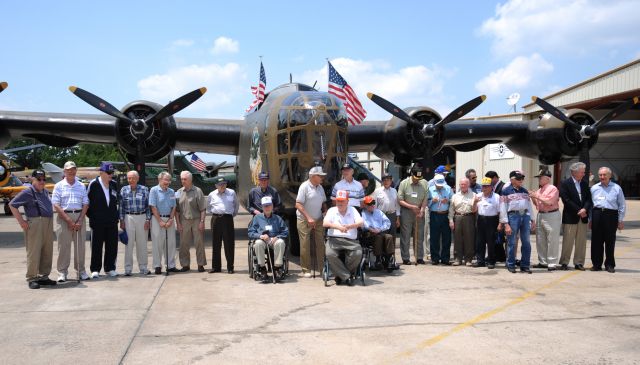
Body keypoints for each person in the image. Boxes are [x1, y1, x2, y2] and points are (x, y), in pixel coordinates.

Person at [9, 170, 56, 289]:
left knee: (47, 251)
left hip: (48, 223)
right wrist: (22, 222)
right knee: (33, 252)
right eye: (39, 179)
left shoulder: (45, 191)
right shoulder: (28, 192)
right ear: (33, 180)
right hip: (35, 223)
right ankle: (32, 278)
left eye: (43, 179)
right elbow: (12, 205)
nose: (42, 182)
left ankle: (44, 277)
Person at [51, 161, 89, 282]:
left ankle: (81, 270)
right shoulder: (58, 186)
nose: (71, 171)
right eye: (68, 170)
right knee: (63, 246)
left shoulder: (81, 186)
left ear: (76, 170)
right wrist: (68, 220)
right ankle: (62, 272)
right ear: (64, 171)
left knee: (80, 247)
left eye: (73, 169)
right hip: (63, 217)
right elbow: (56, 204)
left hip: (79, 216)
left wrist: (80, 219)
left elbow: (86, 203)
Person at [323, 190, 364, 286]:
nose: (340, 203)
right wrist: (338, 227)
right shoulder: (331, 210)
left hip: (351, 240)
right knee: (329, 253)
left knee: (358, 253)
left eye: (342, 201)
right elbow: (325, 223)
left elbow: (361, 222)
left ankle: (340, 275)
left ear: (347, 201)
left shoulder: (353, 210)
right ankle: (347, 276)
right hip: (334, 239)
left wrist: (350, 226)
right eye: (338, 201)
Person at [87, 162, 120, 278]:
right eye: (109, 173)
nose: (111, 175)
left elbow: (116, 202)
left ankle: (110, 268)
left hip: (111, 221)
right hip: (97, 222)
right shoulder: (94, 184)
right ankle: (95, 269)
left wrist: (116, 216)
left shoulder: (114, 184)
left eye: (112, 172)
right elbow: (87, 203)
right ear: (101, 173)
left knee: (112, 246)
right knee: (97, 246)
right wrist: (93, 217)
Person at [589, 167, 626, 273]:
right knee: (596, 241)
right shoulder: (594, 188)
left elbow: (622, 205)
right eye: (600, 175)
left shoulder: (617, 188)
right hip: (597, 214)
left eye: (604, 175)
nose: (602, 177)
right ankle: (596, 264)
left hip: (611, 215)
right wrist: (591, 219)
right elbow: (591, 205)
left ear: (610, 176)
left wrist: (620, 220)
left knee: (610, 241)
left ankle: (609, 264)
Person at [499, 170, 535, 273]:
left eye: (522, 178)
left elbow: (529, 206)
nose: (521, 180)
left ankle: (525, 265)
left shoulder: (524, 191)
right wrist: (506, 224)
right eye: (519, 178)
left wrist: (532, 219)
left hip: (525, 217)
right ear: (512, 179)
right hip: (513, 216)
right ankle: (511, 264)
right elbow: (502, 208)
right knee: (512, 242)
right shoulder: (505, 191)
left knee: (526, 242)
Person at [558, 162, 591, 271]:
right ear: (574, 172)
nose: (584, 174)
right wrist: (579, 210)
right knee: (568, 241)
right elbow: (566, 200)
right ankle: (564, 262)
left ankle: (579, 262)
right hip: (571, 217)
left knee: (581, 242)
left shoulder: (585, 184)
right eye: (582, 172)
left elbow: (588, 199)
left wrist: (585, 209)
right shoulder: (565, 183)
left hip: (583, 216)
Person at [295, 166, 327, 277]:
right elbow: (298, 204)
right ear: (313, 176)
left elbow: (323, 202)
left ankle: (323, 269)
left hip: (318, 219)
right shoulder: (304, 187)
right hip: (304, 219)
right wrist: (308, 217)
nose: (322, 177)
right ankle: (306, 269)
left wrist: (325, 212)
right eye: (320, 175)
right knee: (305, 244)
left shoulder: (320, 188)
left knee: (321, 244)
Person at [248, 196, 289, 282]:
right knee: (258, 243)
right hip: (263, 240)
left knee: (281, 242)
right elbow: (250, 232)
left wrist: (277, 237)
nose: (267, 207)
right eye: (265, 206)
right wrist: (260, 236)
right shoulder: (257, 218)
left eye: (269, 205)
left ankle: (277, 268)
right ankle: (262, 268)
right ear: (262, 207)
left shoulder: (278, 218)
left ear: (272, 206)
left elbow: (285, 231)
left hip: (274, 240)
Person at [119, 170, 151, 276]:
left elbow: (148, 207)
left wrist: (148, 219)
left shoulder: (145, 189)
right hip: (128, 217)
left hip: (141, 217)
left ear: (137, 178)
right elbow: (121, 207)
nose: (131, 180)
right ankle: (128, 268)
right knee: (129, 243)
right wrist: (121, 220)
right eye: (129, 178)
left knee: (142, 244)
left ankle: (143, 267)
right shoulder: (123, 190)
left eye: (133, 178)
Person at [175, 171, 207, 272]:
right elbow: (176, 210)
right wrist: (178, 224)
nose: (183, 181)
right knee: (184, 244)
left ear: (190, 180)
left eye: (185, 179)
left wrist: (202, 221)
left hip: (196, 220)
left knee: (199, 243)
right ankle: (185, 265)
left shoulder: (198, 191)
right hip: (184, 220)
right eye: (182, 179)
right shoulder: (179, 192)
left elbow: (203, 209)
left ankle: (200, 264)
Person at [529, 169, 561, 271]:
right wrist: (533, 197)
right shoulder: (540, 190)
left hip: (551, 215)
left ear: (547, 178)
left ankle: (552, 262)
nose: (539, 179)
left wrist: (536, 196)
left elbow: (549, 202)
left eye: (540, 177)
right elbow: (537, 204)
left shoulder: (553, 188)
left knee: (552, 239)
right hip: (541, 215)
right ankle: (543, 262)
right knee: (540, 239)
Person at [207, 176, 239, 274]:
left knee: (229, 243)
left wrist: (229, 215)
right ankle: (216, 267)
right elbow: (208, 207)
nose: (222, 186)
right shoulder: (211, 194)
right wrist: (216, 214)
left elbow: (236, 206)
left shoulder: (232, 192)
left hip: (227, 219)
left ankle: (230, 267)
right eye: (220, 184)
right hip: (216, 219)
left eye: (224, 184)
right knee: (216, 243)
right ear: (216, 185)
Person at [397, 165, 429, 265]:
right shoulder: (404, 183)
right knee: (406, 235)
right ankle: (406, 258)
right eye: (415, 178)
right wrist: (411, 207)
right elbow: (400, 200)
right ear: (411, 175)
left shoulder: (424, 183)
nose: (417, 180)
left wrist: (422, 210)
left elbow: (425, 199)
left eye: (419, 179)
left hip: (419, 211)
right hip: (407, 211)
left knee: (419, 235)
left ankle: (419, 257)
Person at [149, 171, 178, 275]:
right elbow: (153, 206)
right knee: (157, 243)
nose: (167, 182)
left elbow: (174, 206)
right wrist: (160, 221)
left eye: (169, 180)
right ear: (159, 180)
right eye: (165, 180)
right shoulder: (154, 190)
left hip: (169, 219)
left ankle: (171, 265)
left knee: (170, 243)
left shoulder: (171, 191)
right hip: (157, 219)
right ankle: (157, 265)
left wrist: (171, 219)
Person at [449, 177, 477, 266]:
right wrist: (451, 220)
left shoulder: (474, 195)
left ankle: (468, 259)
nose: (463, 186)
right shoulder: (455, 196)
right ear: (459, 185)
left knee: (469, 238)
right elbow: (451, 209)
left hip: (469, 217)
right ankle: (458, 259)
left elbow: (475, 209)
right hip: (457, 217)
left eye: (465, 184)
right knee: (457, 239)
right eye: (461, 184)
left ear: (468, 185)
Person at [361, 196, 395, 270]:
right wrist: (371, 229)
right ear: (365, 205)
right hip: (369, 234)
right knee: (378, 237)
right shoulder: (363, 213)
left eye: (373, 203)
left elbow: (387, 222)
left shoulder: (379, 212)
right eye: (369, 204)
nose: (372, 205)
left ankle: (389, 260)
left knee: (389, 237)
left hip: (380, 231)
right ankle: (378, 260)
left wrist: (380, 229)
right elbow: (363, 224)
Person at [475, 177, 500, 269]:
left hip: (492, 220)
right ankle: (480, 261)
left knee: (491, 242)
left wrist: (500, 223)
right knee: (480, 241)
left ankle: (491, 261)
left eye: (486, 186)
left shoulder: (496, 197)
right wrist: (474, 202)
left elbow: (499, 211)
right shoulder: (478, 196)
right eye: (483, 186)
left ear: (491, 187)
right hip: (481, 219)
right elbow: (474, 210)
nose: (484, 188)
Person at [428, 174, 453, 265]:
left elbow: (453, 201)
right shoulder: (430, 190)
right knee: (434, 237)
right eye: (438, 184)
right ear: (434, 182)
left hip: (445, 215)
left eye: (441, 184)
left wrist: (448, 201)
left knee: (447, 237)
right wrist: (432, 201)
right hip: (434, 215)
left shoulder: (448, 188)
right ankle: (435, 258)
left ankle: (445, 258)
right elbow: (426, 203)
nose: (440, 186)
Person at [373, 174, 400, 242]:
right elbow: (374, 206)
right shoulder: (377, 191)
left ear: (391, 181)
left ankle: (391, 252)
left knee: (392, 236)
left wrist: (398, 219)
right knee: (382, 235)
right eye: (384, 180)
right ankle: (382, 252)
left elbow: (397, 205)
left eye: (388, 180)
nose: (386, 182)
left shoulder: (394, 191)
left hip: (392, 215)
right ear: (382, 182)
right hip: (381, 215)